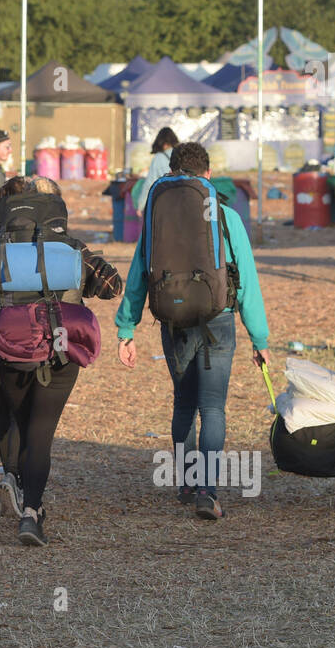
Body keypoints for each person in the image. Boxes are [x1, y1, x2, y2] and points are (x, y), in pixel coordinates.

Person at [116, 142, 271, 521]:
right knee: (212, 406)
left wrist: (127, 327)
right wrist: (260, 339)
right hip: (218, 317)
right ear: (208, 173)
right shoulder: (225, 215)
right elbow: (247, 280)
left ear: (171, 172)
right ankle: (207, 490)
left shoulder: (159, 215)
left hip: (173, 318)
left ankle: (186, 484)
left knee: (184, 402)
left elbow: (139, 271)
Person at [0, 176, 123, 546]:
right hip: (58, 346)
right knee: (40, 433)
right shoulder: (67, 248)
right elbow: (111, 286)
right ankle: (32, 513)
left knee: (17, 419)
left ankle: (13, 476)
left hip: (7, 344)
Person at [131, 127, 179, 214]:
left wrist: (140, 205)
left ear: (162, 143)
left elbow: (150, 183)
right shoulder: (181, 154)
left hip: (165, 204)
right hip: (181, 202)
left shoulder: (159, 157)